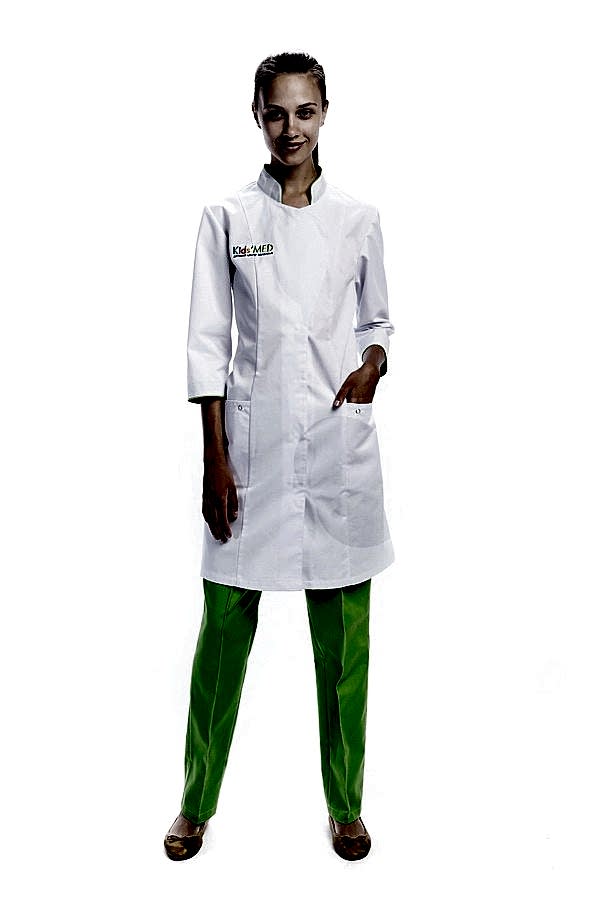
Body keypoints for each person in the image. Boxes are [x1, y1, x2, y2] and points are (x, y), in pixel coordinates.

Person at [164, 51, 395, 863]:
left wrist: (371, 366)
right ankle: (195, 802)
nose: (289, 127)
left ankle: (346, 807)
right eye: (275, 112)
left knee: (346, 650)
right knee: (221, 639)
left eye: (304, 111)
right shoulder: (227, 219)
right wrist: (215, 460)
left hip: (335, 453)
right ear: (257, 116)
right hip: (251, 456)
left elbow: (378, 322)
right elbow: (207, 343)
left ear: (325, 113)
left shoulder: (359, 218)